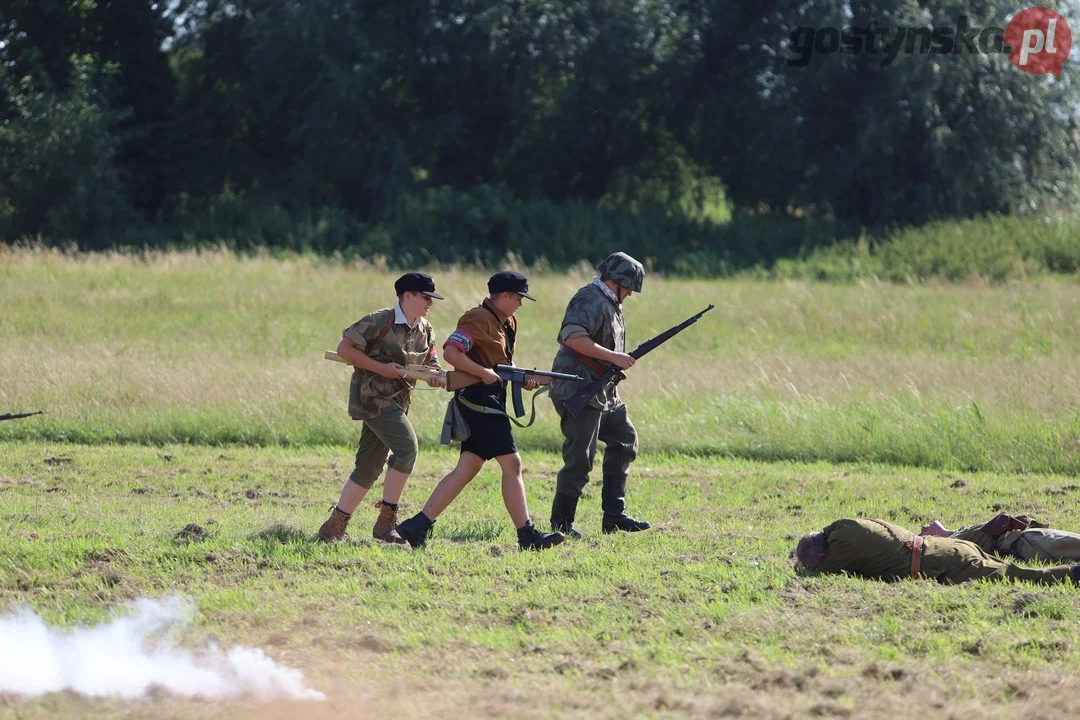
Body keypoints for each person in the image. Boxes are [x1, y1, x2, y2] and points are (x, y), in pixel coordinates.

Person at [395, 271, 565, 551]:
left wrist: (524, 380)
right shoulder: (477, 318)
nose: (521, 304)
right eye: (519, 298)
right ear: (506, 296)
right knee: (512, 465)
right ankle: (527, 536)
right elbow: (452, 353)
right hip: (479, 401)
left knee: (468, 467)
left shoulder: (508, 321)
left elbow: (499, 364)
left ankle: (418, 525)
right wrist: (482, 372)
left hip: (491, 398)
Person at [316, 272, 446, 544]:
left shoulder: (426, 329)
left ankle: (334, 527)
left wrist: (434, 374)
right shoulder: (379, 320)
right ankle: (386, 522)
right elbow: (345, 348)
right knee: (407, 449)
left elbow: (431, 360)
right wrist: (382, 369)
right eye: (425, 297)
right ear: (407, 295)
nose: (429, 304)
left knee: (369, 466)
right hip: (372, 397)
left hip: (399, 400)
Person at [546, 252, 650, 538]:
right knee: (580, 459)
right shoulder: (590, 298)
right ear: (615, 281)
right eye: (628, 286)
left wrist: (612, 368)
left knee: (624, 440)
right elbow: (572, 336)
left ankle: (614, 517)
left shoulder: (611, 302)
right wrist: (614, 357)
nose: (630, 293)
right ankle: (561, 525)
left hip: (602, 389)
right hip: (579, 388)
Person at [795, 518, 1080, 585]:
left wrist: (803, 567)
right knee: (1003, 565)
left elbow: (825, 573)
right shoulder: (847, 526)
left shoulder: (840, 550)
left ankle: (1074, 574)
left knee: (1017, 575)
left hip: (947, 562)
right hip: (952, 546)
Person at [920, 512, 1080, 563]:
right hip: (1027, 544)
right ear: (933, 540)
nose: (923, 528)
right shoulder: (954, 542)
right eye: (921, 535)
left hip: (1030, 537)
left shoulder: (961, 531)